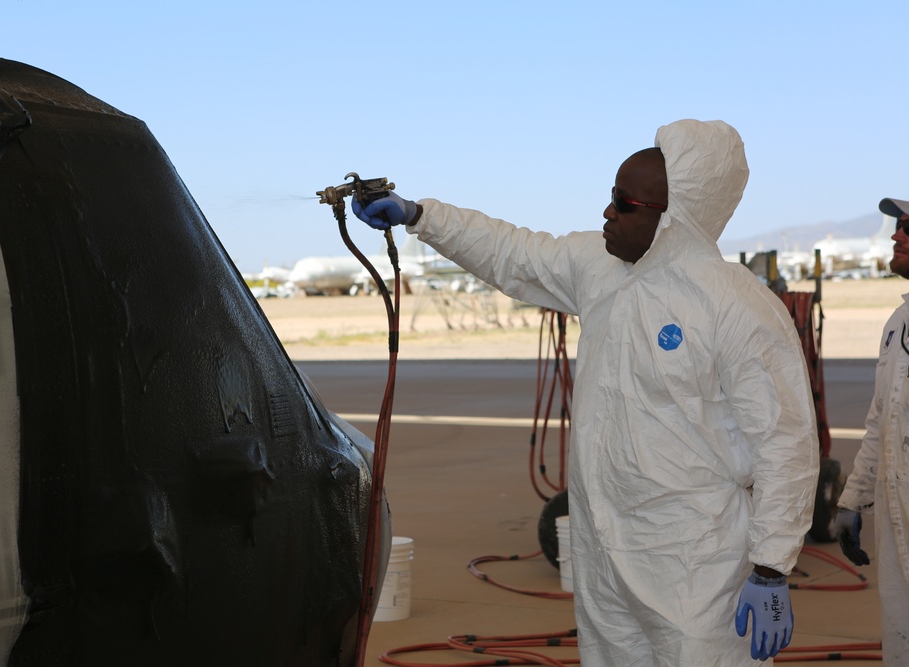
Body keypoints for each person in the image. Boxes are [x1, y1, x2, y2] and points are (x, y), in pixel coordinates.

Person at [352, 119, 819, 665]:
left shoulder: (735, 307)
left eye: (624, 203)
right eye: (610, 197)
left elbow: (786, 442)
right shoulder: (600, 268)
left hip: (696, 566)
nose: (607, 213)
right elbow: (511, 252)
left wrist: (770, 567)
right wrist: (420, 216)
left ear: (676, 218)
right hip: (603, 559)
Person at [836, 196, 909, 665]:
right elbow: (881, 420)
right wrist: (852, 499)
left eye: (907, 226)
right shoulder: (896, 324)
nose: (895, 235)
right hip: (896, 517)